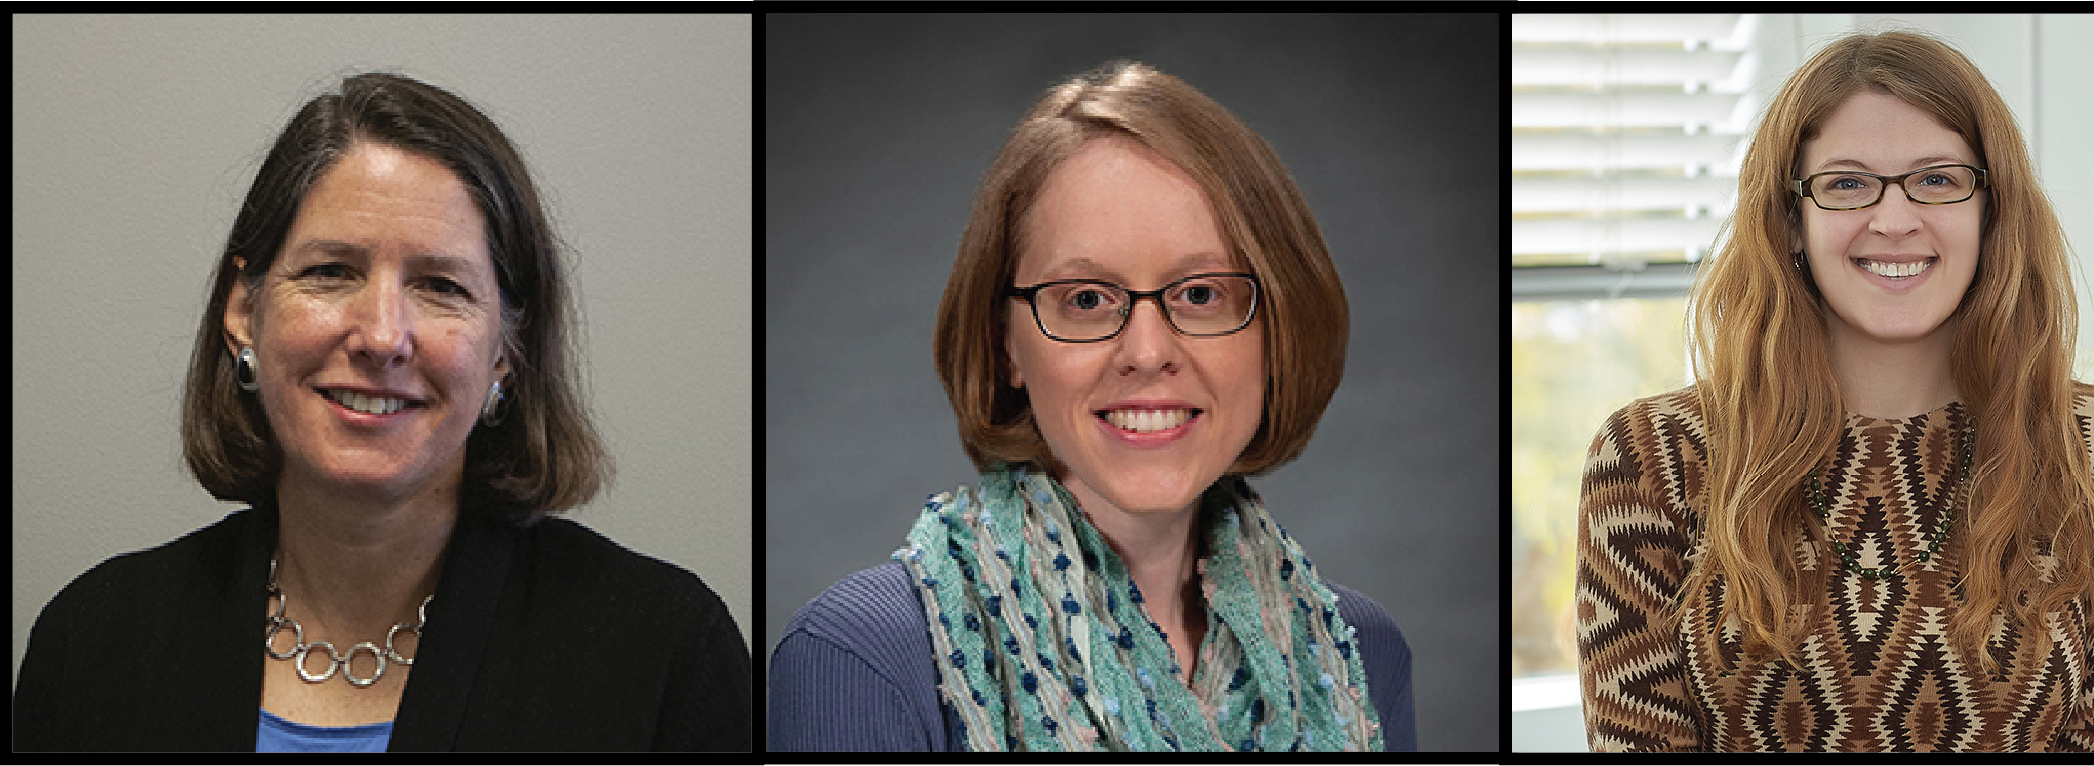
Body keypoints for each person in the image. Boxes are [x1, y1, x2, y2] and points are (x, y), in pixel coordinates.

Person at [13, 72, 749, 752]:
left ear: (505, 349)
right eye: (331, 271)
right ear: (244, 310)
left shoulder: (663, 655)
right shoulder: (95, 643)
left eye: (441, 286)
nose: (382, 336)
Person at [765, 61, 1413, 751]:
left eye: (1200, 294)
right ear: (1006, 343)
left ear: (1274, 326)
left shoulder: (1363, 658)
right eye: (1085, 299)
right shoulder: (863, 661)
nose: (1146, 350)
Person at [1575, 31, 2094, 752]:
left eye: (1938, 179)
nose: (1894, 220)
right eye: (1847, 184)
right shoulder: (1652, 458)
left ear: (1992, 210)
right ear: (1791, 220)